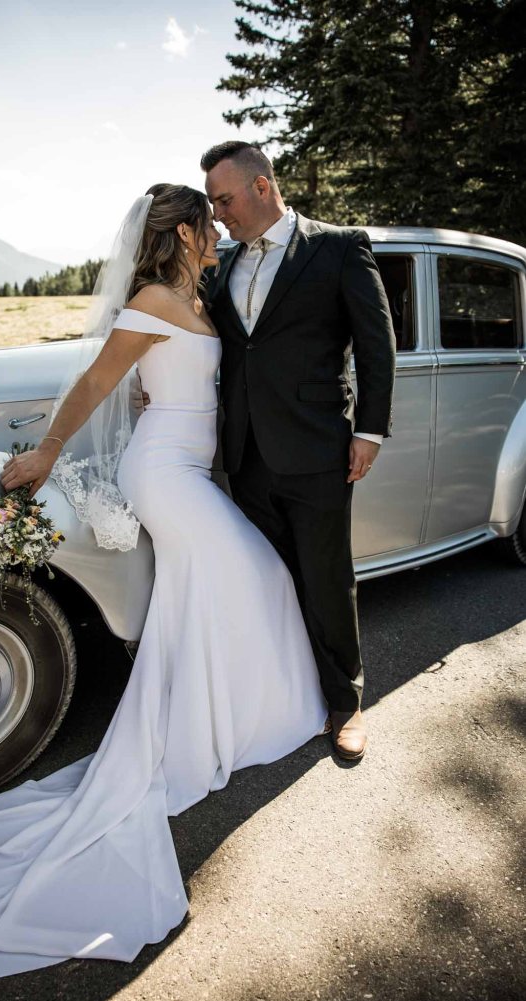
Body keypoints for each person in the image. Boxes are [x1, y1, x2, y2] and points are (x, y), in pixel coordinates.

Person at [0, 184, 328, 978]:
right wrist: (47, 450)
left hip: (186, 465)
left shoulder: (185, 296)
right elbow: (100, 380)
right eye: (207, 220)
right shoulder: (152, 296)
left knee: (214, 593)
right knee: (259, 577)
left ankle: (227, 718)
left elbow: (163, 380)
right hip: (164, 475)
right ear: (180, 232)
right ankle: (225, 724)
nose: (217, 229)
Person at [142, 145, 396, 760]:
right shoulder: (221, 262)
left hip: (318, 449)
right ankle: (286, 695)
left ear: (261, 187)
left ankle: (346, 702)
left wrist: (369, 431)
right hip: (246, 453)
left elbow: (376, 342)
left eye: (224, 200)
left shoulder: (337, 246)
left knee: (326, 577)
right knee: (268, 581)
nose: (218, 213)